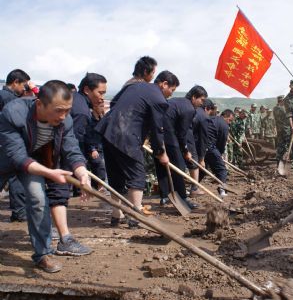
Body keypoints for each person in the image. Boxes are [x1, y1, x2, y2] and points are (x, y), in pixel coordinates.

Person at [0, 80, 90, 272]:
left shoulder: (65, 120)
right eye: (59, 110)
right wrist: (50, 173)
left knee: (38, 199)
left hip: (34, 164)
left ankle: (42, 255)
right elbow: (17, 157)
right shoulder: (14, 113)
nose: (64, 116)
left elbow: (72, 149)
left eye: (67, 110)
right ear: (39, 104)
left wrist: (82, 172)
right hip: (6, 158)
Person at [96, 70, 174, 227]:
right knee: (137, 174)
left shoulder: (134, 85)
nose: (170, 94)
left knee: (115, 175)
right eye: (171, 90)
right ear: (164, 84)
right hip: (126, 135)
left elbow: (113, 103)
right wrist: (161, 152)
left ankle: (116, 213)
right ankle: (135, 214)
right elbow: (157, 128)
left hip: (108, 131)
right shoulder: (159, 99)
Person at [156, 85, 207, 209]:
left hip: (158, 134)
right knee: (179, 167)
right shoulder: (190, 109)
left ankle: (164, 197)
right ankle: (183, 199)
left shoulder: (177, 101)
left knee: (162, 166)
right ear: (194, 97)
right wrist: (185, 150)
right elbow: (182, 133)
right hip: (169, 137)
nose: (201, 103)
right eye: (201, 100)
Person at [0, 69, 34, 223]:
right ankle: (19, 212)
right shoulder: (9, 99)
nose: (24, 90)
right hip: (7, 146)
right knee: (15, 179)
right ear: (15, 83)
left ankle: (19, 211)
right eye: (24, 86)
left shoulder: (4, 96)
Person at [200, 106, 234, 197]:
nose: (229, 123)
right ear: (226, 116)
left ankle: (193, 187)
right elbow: (222, 142)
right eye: (230, 120)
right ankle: (222, 190)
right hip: (210, 147)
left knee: (203, 169)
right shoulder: (224, 125)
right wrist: (220, 153)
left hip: (201, 146)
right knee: (222, 170)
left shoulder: (211, 118)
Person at [186, 95, 210, 197]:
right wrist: (202, 158)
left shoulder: (191, 110)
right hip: (189, 142)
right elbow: (203, 139)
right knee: (194, 164)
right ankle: (194, 189)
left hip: (180, 141)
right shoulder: (203, 116)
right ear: (206, 109)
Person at [273, 95, 290, 165]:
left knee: (280, 144)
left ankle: (279, 159)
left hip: (279, 129)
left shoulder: (275, 108)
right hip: (285, 129)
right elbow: (288, 117)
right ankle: (284, 159)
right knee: (285, 145)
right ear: (282, 101)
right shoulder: (282, 109)